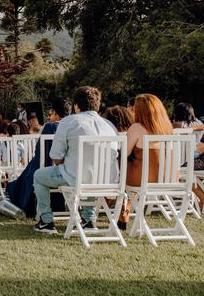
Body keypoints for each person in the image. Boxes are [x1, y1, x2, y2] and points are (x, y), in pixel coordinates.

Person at [33, 86, 118, 234]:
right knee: (92, 173)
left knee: (39, 176)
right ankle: (89, 220)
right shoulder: (109, 125)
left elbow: (56, 157)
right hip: (105, 180)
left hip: (75, 178)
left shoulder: (69, 122)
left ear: (76, 106)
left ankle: (46, 221)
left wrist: (66, 162)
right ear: (97, 105)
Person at [118, 94, 182, 229]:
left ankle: (121, 210)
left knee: (120, 165)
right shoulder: (167, 128)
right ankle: (124, 211)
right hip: (168, 178)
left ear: (141, 111)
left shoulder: (136, 128)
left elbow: (125, 153)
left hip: (144, 179)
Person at [6, 98, 72, 218]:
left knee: (29, 174)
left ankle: (41, 212)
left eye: (50, 113)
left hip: (49, 168)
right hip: (70, 172)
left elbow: (41, 151)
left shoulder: (50, 127)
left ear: (56, 113)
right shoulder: (73, 126)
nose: (50, 116)